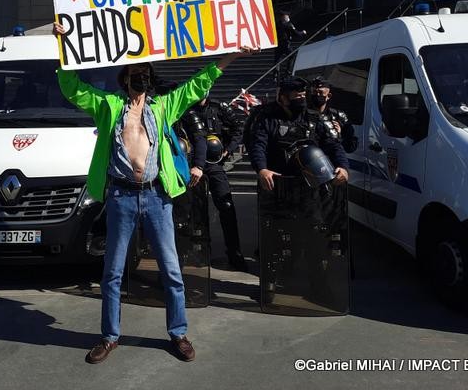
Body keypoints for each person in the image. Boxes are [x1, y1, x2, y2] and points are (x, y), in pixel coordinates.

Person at [53, 21, 256, 365]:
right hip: (120, 197)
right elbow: (72, 88)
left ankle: (178, 333)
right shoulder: (108, 106)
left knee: (172, 270)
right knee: (112, 272)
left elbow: (197, 84)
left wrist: (232, 56)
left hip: (157, 197)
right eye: (135, 73)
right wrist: (62, 46)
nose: (140, 78)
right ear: (124, 78)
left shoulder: (163, 107)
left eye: (145, 73)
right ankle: (109, 336)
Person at [247, 77, 349, 191]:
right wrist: (262, 169)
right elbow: (257, 145)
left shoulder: (314, 118)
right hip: (278, 182)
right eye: (297, 96)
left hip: (311, 183)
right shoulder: (267, 118)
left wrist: (343, 166)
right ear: (284, 99)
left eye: (304, 96)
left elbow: (333, 144)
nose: (302, 100)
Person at [188, 92, 247, 271]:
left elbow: (239, 129)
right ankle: (200, 251)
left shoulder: (219, 108)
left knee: (226, 206)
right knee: (196, 210)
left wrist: (228, 150)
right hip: (192, 165)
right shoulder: (186, 109)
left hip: (214, 164)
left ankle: (234, 252)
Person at [309, 78, 358, 154]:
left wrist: (339, 136)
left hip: (330, 161)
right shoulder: (303, 114)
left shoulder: (338, 117)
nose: (317, 95)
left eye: (320, 92)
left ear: (328, 96)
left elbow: (351, 146)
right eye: (314, 92)